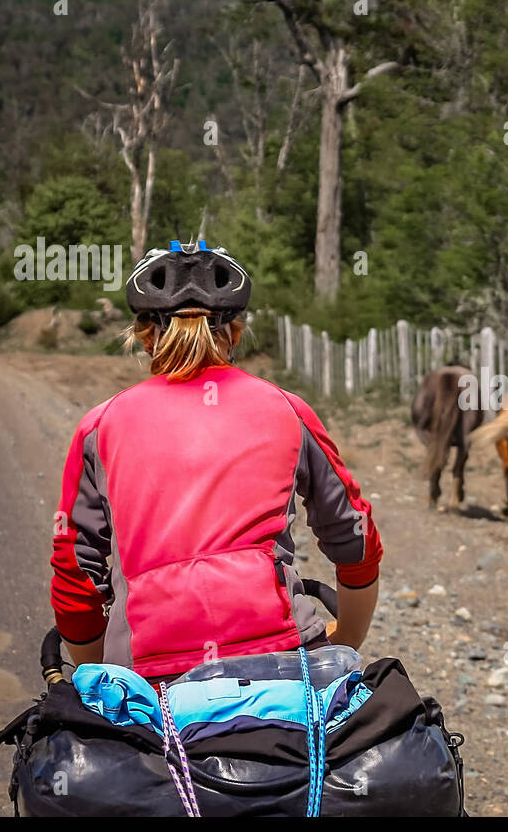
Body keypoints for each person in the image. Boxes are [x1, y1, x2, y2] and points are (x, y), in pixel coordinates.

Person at [48, 241, 382, 685]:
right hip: (284, 656)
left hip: (147, 673)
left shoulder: (100, 426)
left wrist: (104, 671)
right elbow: (355, 537)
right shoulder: (288, 410)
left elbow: (76, 576)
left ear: (144, 337)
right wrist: (350, 639)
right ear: (237, 333)